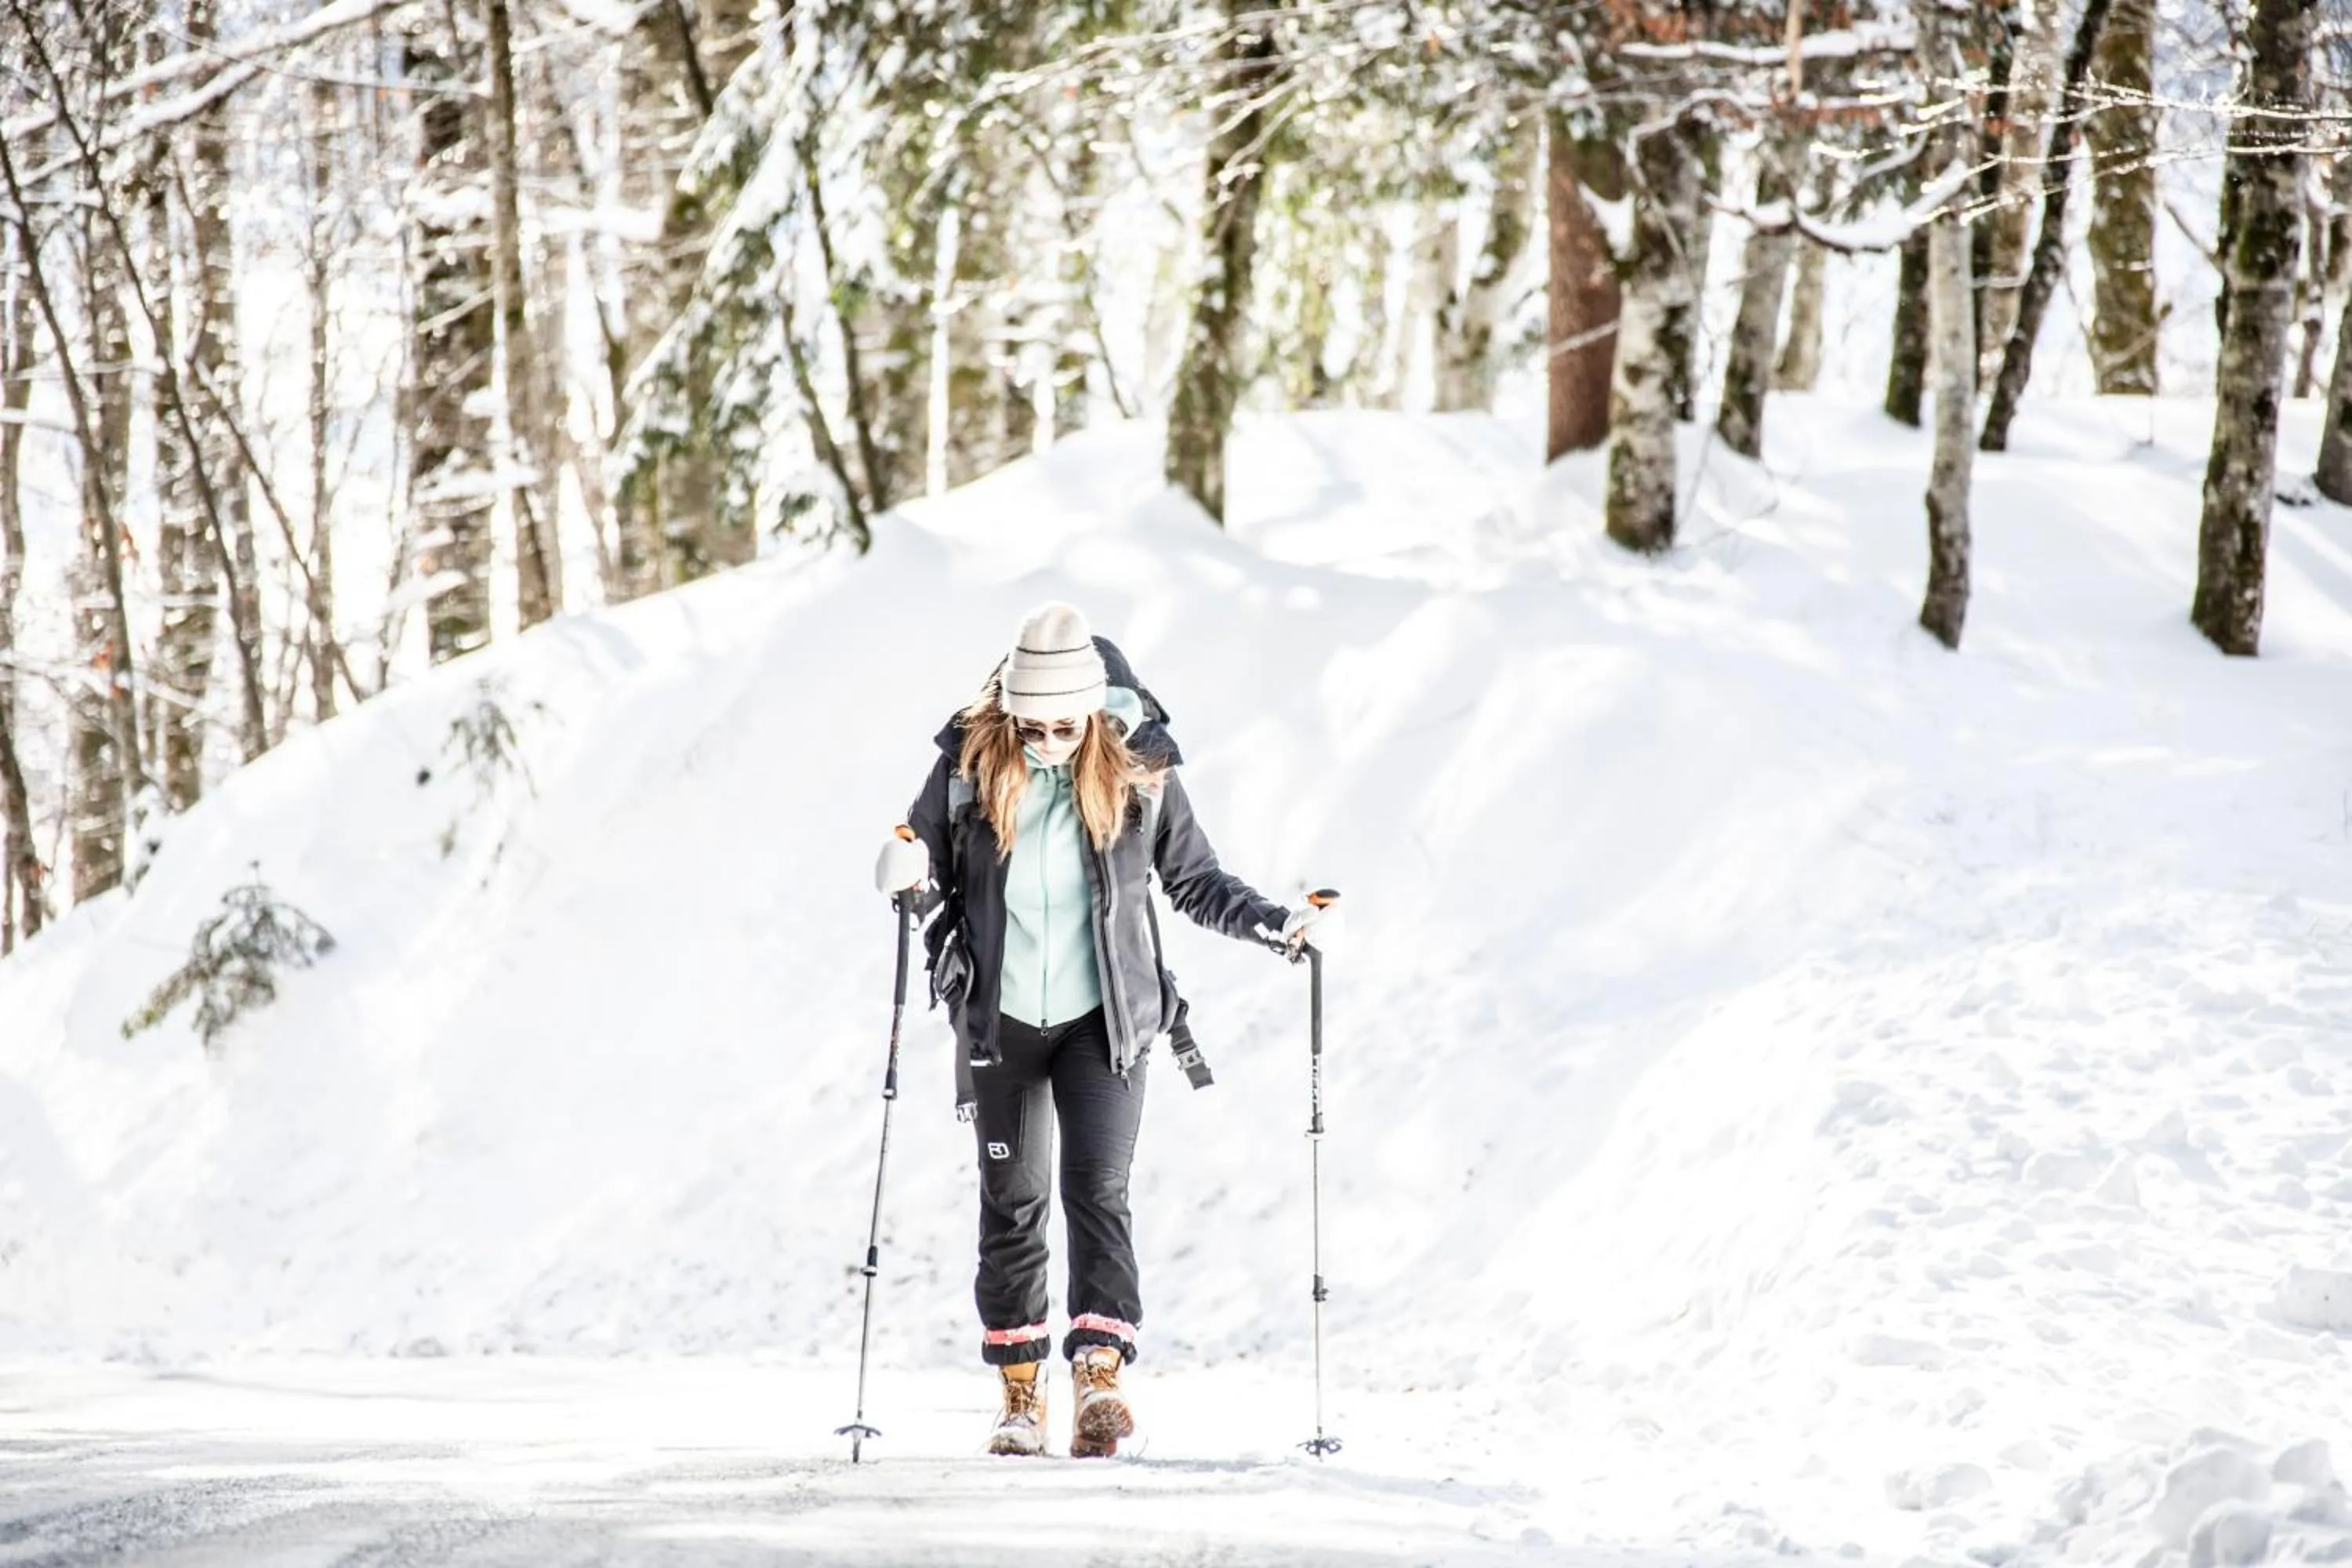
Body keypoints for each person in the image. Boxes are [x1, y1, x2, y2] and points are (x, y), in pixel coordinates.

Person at [874, 602, 1336, 1458]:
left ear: (1093, 712)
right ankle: (1021, 1394)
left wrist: (1275, 924)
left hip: (1106, 1021)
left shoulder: (1139, 770)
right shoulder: (968, 765)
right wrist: (903, 872)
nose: (1049, 741)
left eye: (1065, 726)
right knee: (1013, 1203)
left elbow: (1195, 880)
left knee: (1098, 1192)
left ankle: (1099, 1377)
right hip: (1001, 1018)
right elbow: (923, 868)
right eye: (1033, 726)